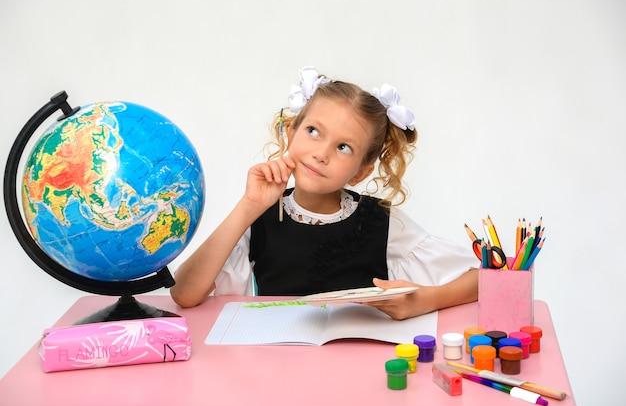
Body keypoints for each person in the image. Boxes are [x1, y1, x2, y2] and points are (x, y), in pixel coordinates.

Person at [170, 66, 478, 320]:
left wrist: (424, 300)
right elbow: (184, 294)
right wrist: (249, 205)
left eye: (343, 147)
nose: (321, 153)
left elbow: (482, 280)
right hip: (272, 368)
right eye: (313, 131)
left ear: (360, 171)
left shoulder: (382, 222)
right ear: (291, 133)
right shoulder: (259, 215)